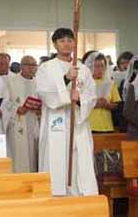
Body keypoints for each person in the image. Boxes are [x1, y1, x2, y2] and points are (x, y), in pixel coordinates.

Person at [35, 27, 98, 196]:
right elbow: (44, 92)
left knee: (79, 163)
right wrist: (65, 80)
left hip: (78, 123)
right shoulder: (46, 68)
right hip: (56, 122)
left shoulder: (83, 69)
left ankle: (80, 199)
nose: (66, 44)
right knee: (56, 161)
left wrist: (79, 99)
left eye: (70, 40)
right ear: (55, 44)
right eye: (62, 40)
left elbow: (92, 95)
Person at [5, 55, 40, 172]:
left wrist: (39, 109)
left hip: (34, 121)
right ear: (21, 66)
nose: (31, 68)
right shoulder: (11, 82)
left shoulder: (38, 83)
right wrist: (16, 108)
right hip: (18, 122)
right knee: (19, 153)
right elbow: (5, 102)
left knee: (34, 153)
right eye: (27, 65)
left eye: (34, 65)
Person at [85, 52, 121, 133]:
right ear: (90, 67)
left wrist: (106, 105)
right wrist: (94, 103)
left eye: (102, 66)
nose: (100, 69)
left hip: (107, 126)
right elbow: (79, 104)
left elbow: (116, 105)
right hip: (89, 126)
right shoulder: (85, 83)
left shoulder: (110, 83)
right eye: (97, 66)